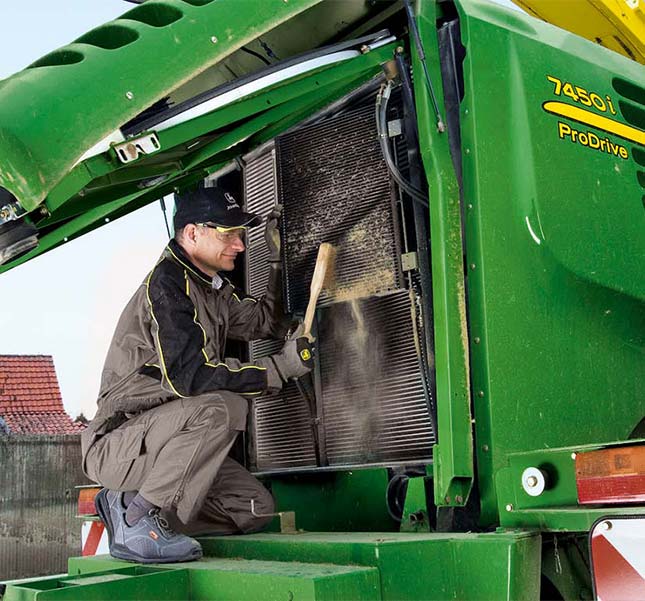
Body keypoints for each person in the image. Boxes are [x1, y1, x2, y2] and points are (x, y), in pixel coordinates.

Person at [81, 186, 313, 564]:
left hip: (166, 444)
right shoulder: (167, 285)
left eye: (240, 235)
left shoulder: (211, 287)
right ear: (192, 234)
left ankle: (133, 508)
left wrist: (275, 264)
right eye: (228, 234)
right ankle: (139, 519)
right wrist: (279, 369)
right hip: (122, 444)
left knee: (252, 507)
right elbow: (190, 377)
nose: (239, 245)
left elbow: (261, 321)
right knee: (221, 407)